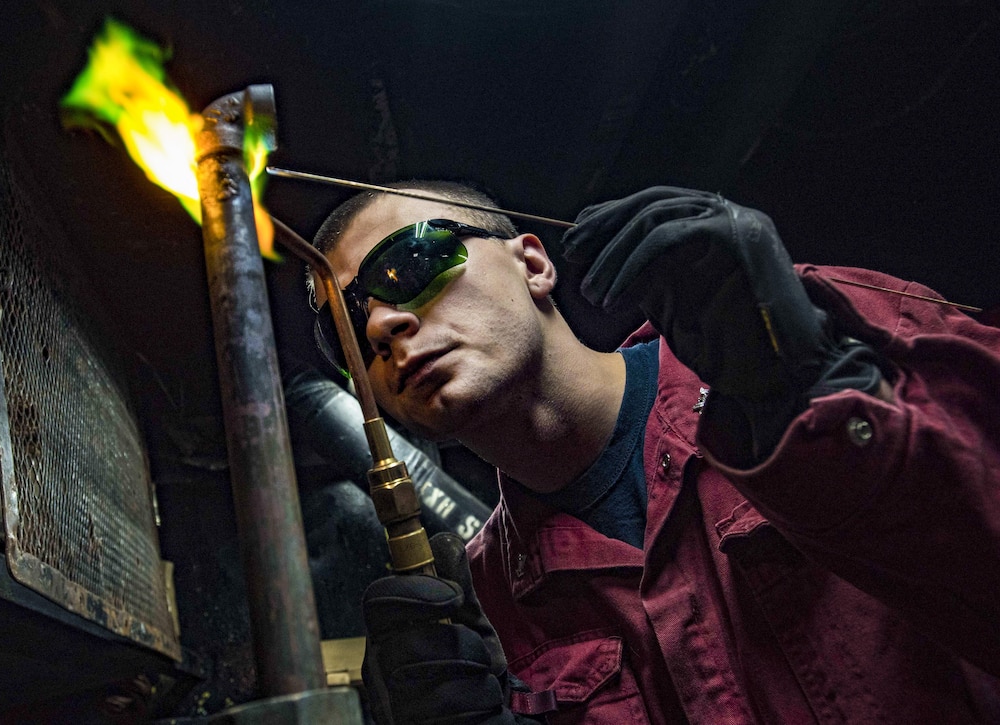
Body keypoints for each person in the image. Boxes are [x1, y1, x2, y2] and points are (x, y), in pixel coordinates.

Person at [307, 182, 1000, 724]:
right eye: (348, 328)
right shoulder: (495, 590)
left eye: (412, 264)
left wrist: (819, 387)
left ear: (532, 263)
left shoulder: (804, 323)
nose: (381, 323)